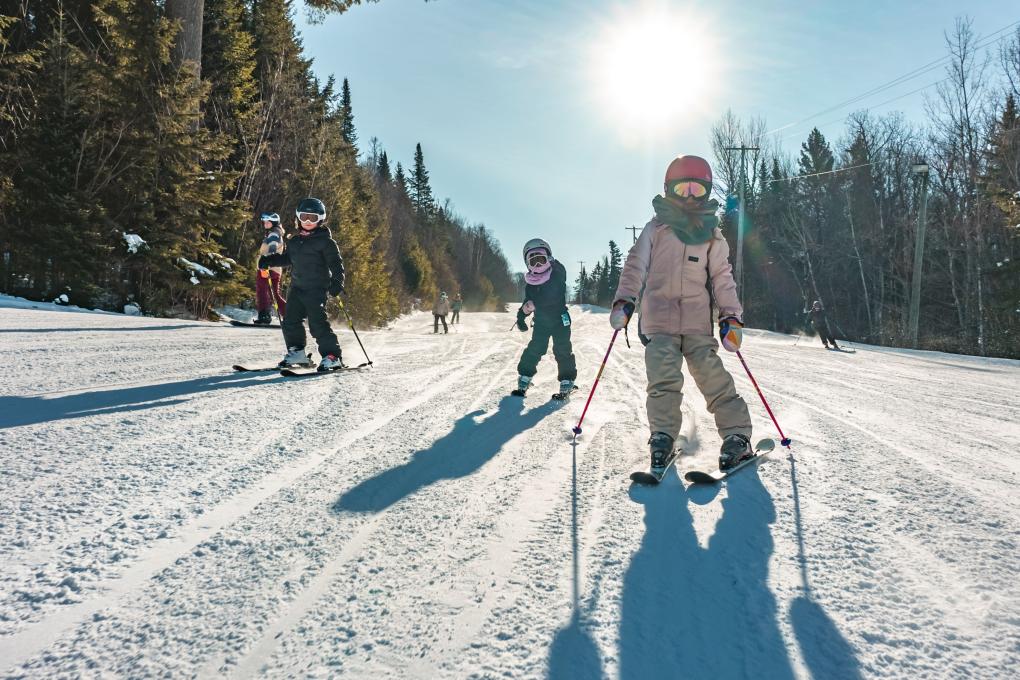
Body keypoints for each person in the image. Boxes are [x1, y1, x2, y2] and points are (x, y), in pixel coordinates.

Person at [610, 154, 753, 473]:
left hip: (697, 323)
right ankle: (663, 437)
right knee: (662, 378)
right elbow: (635, 265)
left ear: (707, 192)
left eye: (697, 191)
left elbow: (722, 278)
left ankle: (737, 436)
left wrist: (730, 316)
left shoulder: (713, 235)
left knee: (712, 376)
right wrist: (625, 300)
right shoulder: (655, 229)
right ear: (668, 190)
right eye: (682, 189)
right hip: (659, 321)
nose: (689, 197)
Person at [258, 197, 345, 371]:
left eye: (312, 218)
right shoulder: (295, 241)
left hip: (317, 289)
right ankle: (297, 352)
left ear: (320, 219)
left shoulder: (326, 242)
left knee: (317, 323)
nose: (307, 221)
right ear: (298, 218)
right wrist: (269, 260)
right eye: (304, 217)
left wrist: (337, 281)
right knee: (290, 321)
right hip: (297, 288)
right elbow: (287, 258)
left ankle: (332, 356)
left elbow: (336, 264)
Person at [513, 238, 577, 397]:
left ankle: (567, 380)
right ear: (527, 264)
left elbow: (554, 296)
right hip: (541, 321)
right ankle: (524, 378)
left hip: (560, 319)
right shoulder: (531, 283)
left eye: (541, 259)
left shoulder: (557, 273)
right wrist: (521, 316)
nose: (538, 265)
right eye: (533, 262)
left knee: (562, 348)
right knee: (536, 347)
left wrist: (535, 304)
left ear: (548, 258)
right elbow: (527, 303)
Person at [254, 213, 287, 324]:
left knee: (262, 291)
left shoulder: (273, 233)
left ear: (274, 223)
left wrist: (268, 259)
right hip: (276, 268)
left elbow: (273, 245)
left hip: (267, 267)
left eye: (268, 222)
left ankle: (264, 316)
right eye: (264, 221)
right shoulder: (277, 232)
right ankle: (290, 315)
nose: (265, 223)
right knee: (274, 294)